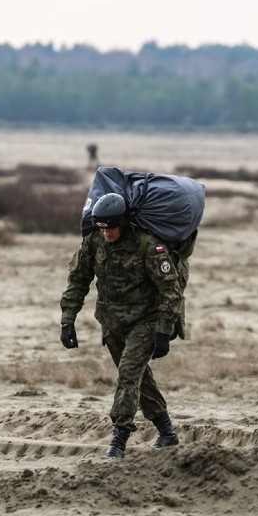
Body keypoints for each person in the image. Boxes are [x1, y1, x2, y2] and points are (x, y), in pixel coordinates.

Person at [59, 192, 183, 459]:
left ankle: (119, 439)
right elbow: (78, 281)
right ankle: (167, 431)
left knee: (128, 373)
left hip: (145, 321)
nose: (107, 234)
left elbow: (171, 291)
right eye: (102, 229)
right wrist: (68, 320)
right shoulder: (93, 242)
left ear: (123, 222)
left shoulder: (148, 245)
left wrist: (163, 330)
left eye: (112, 228)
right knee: (139, 377)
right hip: (112, 322)